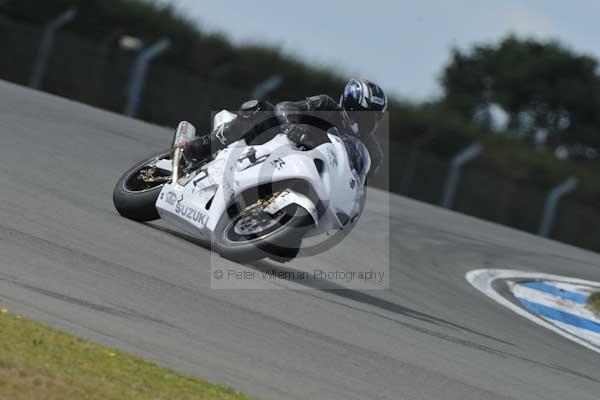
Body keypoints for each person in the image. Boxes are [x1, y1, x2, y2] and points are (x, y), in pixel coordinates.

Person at [183, 78, 387, 175]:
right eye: (362, 116)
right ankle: (204, 147)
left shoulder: (371, 152)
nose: (364, 123)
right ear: (349, 106)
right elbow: (286, 107)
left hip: (309, 171)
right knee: (261, 109)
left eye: (372, 119)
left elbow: (357, 187)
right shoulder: (325, 104)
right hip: (282, 145)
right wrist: (291, 125)